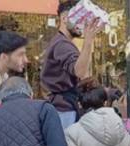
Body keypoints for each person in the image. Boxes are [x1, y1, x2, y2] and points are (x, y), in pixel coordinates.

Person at [41, 0, 102, 129]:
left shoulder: (61, 42)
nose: (81, 24)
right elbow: (79, 71)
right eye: (78, 18)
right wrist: (89, 40)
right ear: (64, 18)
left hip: (61, 107)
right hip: (63, 110)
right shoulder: (62, 44)